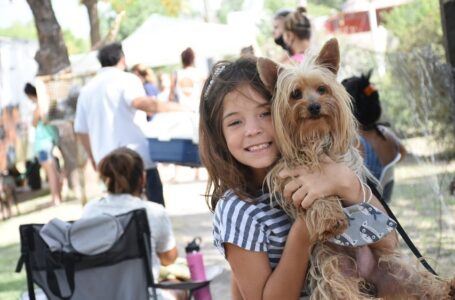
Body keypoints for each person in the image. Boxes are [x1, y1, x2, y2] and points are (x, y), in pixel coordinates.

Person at [199, 57, 396, 298]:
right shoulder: (239, 210)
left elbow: (388, 244)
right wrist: (303, 233)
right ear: (219, 135)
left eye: (265, 113)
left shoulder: (326, 170)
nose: (253, 129)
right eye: (235, 122)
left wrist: (349, 185)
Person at [74, 42, 184, 207]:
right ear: (122, 59)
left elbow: (81, 130)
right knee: (153, 211)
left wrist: (92, 156)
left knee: (121, 216)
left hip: (106, 163)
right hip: (136, 160)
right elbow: (140, 103)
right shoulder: (127, 79)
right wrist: (176, 108)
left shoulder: (87, 89)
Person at [81, 147, 184, 300]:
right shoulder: (153, 212)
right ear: (143, 178)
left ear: (106, 179)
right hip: (141, 294)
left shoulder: (90, 210)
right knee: (180, 287)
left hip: (100, 294)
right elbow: (169, 258)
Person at [342, 71, 407, 180]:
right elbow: (403, 152)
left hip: (364, 196)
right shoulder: (387, 134)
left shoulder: (356, 144)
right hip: (384, 196)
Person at [24, 83, 62, 206]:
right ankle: (57, 197)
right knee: (53, 170)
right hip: (49, 140)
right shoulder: (48, 104)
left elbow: (34, 123)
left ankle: (55, 199)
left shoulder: (40, 105)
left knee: (50, 171)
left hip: (43, 144)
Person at [168, 47, 206, 112]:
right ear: (193, 59)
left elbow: (171, 97)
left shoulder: (176, 74)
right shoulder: (200, 73)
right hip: (198, 110)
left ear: (182, 60)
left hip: (182, 111)